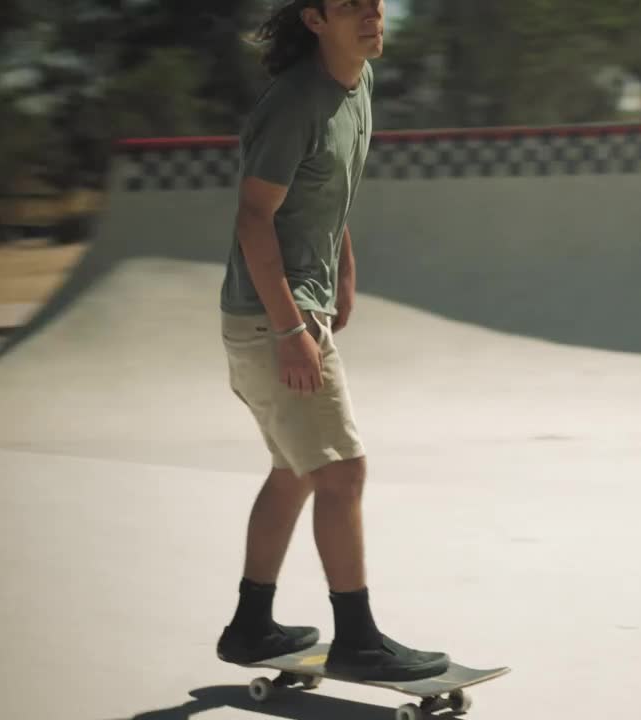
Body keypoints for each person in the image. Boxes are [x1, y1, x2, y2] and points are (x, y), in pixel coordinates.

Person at [214, 0, 449, 682]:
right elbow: (255, 217)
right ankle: (359, 639)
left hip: (285, 311)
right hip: (270, 319)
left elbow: (325, 193)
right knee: (341, 471)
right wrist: (291, 329)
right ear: (316, 20)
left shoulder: (358, 83)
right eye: (353, 8)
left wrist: (342, 268)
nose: (372, 16)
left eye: (376, 4)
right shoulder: (295, 103)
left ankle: (252, 625)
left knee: (296, 471)